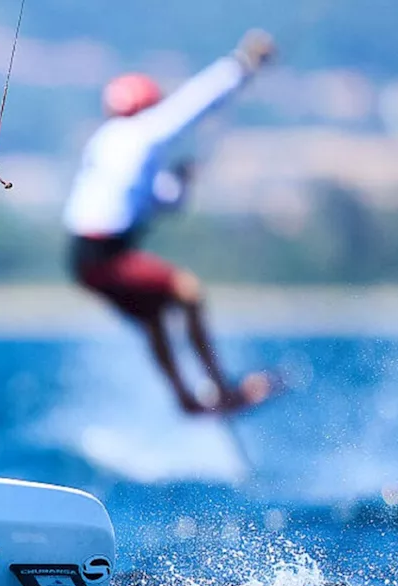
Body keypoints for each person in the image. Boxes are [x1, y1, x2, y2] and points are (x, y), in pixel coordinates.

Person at [63, 29, 281, 415]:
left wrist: (177, 184)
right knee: (188, 293)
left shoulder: (110, 141)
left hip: (85, 258)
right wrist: (243, 64)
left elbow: (150, 201)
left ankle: (186, 400)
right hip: (105, 253)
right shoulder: (143, 131)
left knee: (155, 316)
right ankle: (220, 387)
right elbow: (196, 103)